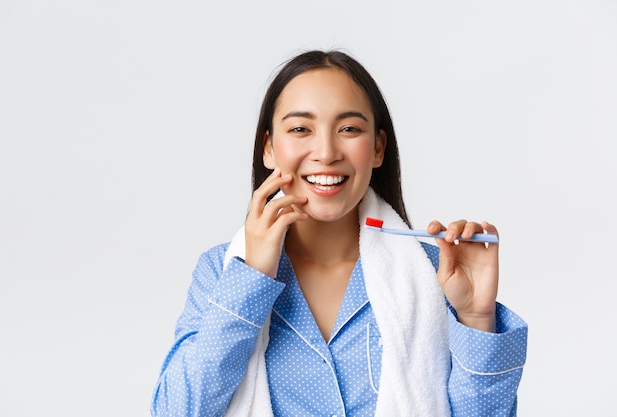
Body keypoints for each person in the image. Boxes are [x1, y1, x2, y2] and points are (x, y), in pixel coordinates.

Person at [150, 50, 528, 417]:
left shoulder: (436, 274)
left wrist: (477, 317)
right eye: (300, 129)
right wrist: (251, 278)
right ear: (268, 148)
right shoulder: (222, 273)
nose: (327, 152)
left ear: (378, 148)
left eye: (349, 129)